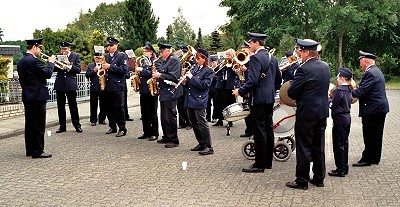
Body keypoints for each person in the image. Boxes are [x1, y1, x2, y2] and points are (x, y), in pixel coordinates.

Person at [285, 38, 330, 190]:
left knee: (304, 146)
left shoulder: (304, 69)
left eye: (301, 52)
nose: (299, 54)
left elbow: (292, 92)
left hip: (307, 113)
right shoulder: (325, 66)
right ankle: (319, 178)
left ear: (306, 52)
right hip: (322, 111)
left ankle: (302, 180)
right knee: (319, 146)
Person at [232, 32, 279, 173]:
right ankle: (268, 162)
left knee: (259, 130)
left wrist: (239, 91)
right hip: (269, 98)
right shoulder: (273, 58)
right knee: (268, 129)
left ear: (257, 43)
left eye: (251, 43)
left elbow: (252, 81)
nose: (249, 45)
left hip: (258, 99)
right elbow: (278, 80)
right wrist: (270, 90)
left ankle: (259, 164)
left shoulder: (255, 59)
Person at [17, 38, 55, 158]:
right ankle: (38, 151)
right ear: (34, 47)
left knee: (30, 125)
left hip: (28, 95)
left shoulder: (21, 61)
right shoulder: (34, 61)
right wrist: (51, 62)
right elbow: (48, 73)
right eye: (39, 48)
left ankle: (30, 150)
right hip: (37, 97)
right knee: (38, 125)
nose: (40, 51)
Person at [352, 51, 389, 167]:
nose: (360, 65)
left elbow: (362, 91)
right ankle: (375, 157)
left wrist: (346, 91)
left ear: (366, 61)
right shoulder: (376, 71)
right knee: (377, 135)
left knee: (369, 134)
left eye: (360, 62)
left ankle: (367, 159)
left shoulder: (370, 73)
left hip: (372, 109)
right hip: (379, 108)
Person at [183, 48, 215, 155]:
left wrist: (191, 78)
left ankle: (209, 146)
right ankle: (201, 143)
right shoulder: (195, 68)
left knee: (202, 123)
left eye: (198, 58)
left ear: (204, 59)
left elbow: (204, 85)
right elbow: (190, 83)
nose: (196, 60)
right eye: (196, 58)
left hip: (199, 99)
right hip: (190, 98)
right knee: (193, 122)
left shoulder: (209, 71)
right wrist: (184, 80)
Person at [154, 43, 183, 148]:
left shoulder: (174, 60)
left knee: (170, 116)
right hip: (164, 91)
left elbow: (174, 76)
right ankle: (167, 136)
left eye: (162, 52)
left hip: (171, 91)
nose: (161, 54)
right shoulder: (166, 60)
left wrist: (160, 75)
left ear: (168, 50)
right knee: (164, 116)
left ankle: (174, 139)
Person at [328, 67, 354, 177]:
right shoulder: (348, 89)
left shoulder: (339, 90)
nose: (337, 79)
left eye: (338, 77)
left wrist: (326, 100)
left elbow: (333, 105)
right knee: (344, 144)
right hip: (346, 119)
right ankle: (344, 167)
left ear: (342, 78)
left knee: (338, 145)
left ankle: (340, 169)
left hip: (339, 120)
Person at [54, 41, 82, 133]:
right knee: (60, 107)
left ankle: (77, 125)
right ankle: (62, 126)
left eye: (65, 49)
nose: (63, 51)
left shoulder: (75, 56)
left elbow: (78, 69)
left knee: (73, 106)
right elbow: (53, 69)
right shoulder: (57, 55)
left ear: (69, 48)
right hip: (60, 83)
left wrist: (69, 65)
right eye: (62, 49)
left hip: (70, 84)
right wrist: (58, 63)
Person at [103, 36, 129, 137]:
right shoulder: (106, 57)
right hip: (107, 85)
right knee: (109, 108)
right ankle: (112, 126)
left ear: (116, 45)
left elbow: (124, 70)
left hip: (118, 85)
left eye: (112, 45)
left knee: (118, 108)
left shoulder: (122, 56)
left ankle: (122, 128)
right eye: (108, 45)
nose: (110, 47)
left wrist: (110, 67)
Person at [135, 42, 159, 141]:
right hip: (144, 89)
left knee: (152, 112)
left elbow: (153, 74)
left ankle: (154, 133)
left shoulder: (155, 61)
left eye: (146, 51)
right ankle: (146, 132)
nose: (144, 53)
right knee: (144, 112)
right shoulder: (143, 62)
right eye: (144, 51)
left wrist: (142, 70)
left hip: (152, 90)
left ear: (151, 53)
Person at [213, 48, 238, 127]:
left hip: (229, 86)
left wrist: (231, 66)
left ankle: (230, 120)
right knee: (218, 102)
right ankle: (219, 119)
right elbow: (216, 71)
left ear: (232, 55)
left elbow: (236, 73)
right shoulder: (223, 63)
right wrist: (221, 65)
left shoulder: (235, 63)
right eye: (226, 54)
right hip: (221, 84)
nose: (227, 56)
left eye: (228, 55)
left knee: (228, 103)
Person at [236, 41, 254, 138]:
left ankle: (252, 130)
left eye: (244, 49)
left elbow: (253, 75)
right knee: (245, 109)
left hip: (250, 88)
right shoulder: (245, 60)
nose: (242, 51)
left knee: (250, 111)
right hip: (245, 86)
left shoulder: (253, 60)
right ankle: (248, 129)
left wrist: (246, 70)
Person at [85, 52, 107, 126]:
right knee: (93, 104)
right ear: (94, 59)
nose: (98, 60)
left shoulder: (104, 65)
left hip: (102, 87)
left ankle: (102, 119)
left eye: (99, 58)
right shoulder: (91, 66)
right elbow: (87, 75)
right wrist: (93, 71)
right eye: (97, 58)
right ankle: (93, 120)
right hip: (94, 87)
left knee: (103, 104)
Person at [177, 45, 192, 130]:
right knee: (180, 104)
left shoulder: (191, 62)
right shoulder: (179, 61)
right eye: (183, 52)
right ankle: (182, 122)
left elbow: (192, 72)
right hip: (180, 85)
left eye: (186, 52)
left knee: (187, 105)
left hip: (187, 85)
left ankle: (189, 123)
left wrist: (186, 79)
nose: (184, 54)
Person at [206, 56, 218, 122]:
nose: (213, 63)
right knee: (207, 103)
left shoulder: (218, 68)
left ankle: (214, 117)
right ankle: (208, 116)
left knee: (215, 103)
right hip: (209, 88)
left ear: (217, 62)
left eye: (214, 62)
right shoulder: (209, 69)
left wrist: (214, 75)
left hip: (215, 88)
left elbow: (219, 79)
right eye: (212, 62)